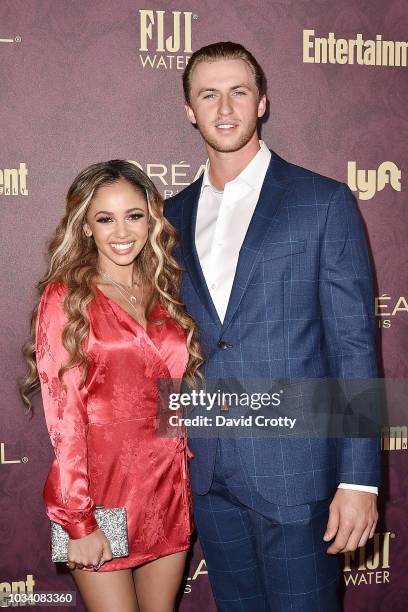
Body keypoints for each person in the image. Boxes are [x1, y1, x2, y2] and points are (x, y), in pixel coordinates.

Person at [164, 42, 380, 611]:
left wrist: (360, 480)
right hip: (208, 474)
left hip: (298, 476)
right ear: (190, 110)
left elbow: (354, 348)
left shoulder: (322, 201)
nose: (225, 106)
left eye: (239, 90)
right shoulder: (168, 217)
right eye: (208, 94)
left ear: (262, 101)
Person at [20, 160, 202, 612]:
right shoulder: (67, 297)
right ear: (85, 227)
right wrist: (78, 521)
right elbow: (65, 418)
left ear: (151, 219)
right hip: (99, 497)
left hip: (166, 491)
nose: (122, 231)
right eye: (105, 218)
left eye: (134, 215)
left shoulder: (165, 289)